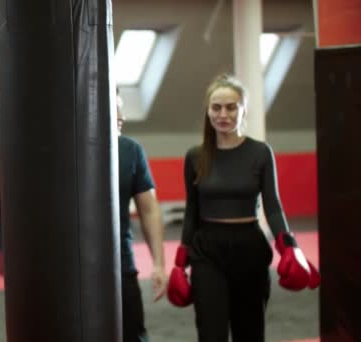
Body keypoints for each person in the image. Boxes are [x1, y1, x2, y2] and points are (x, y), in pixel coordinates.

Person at [166, 74, 320, 342]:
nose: (223, 114)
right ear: (208, 110)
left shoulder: (260, 153)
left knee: (249, 332)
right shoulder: (195, 156)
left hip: (249, 247)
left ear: (243, 109)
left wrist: (290, 247)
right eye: (216, 107)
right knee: (210, 334)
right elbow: (192, 211)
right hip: (207, 252)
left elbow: (273, 206)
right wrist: (181, 263)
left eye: (231, 106)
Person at [116, 89, 167, 341]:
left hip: (121, 265)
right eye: (116, 112)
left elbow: (149, 209)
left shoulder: (130, 151)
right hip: (71, 269)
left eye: (122, 110)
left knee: (133, 335)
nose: (123, 116)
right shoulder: (65, 151)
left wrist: (158, 264)